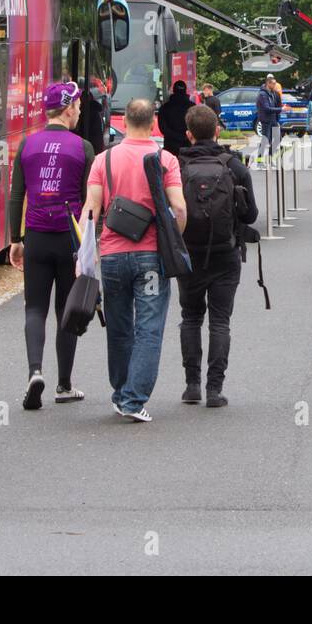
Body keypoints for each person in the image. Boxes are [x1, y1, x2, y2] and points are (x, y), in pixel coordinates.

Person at [85, 98, 187, 422]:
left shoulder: (104, 159)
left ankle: (120, 391)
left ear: (125, 120)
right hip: (150, 256)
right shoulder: (165, 159)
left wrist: (87, 256)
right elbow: (180, 209)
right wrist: (174, 237)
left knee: (118, 327)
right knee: (149, 328)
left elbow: (90, 211)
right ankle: (133, 399)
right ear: (153, 120)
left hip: (113, 256)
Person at [9, 82, 95, 410]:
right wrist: (91, 242)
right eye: (76, 105)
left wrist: (16, 241)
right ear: (67, 108)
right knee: (66, 310)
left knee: (34, 308)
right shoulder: (83, 147)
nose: (79, 111)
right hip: (70, 237)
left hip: (36, 235)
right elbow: (91, 200)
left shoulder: (28, 145)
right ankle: (64, 384)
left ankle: (34, 371)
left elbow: (18, 195)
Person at [176, 104, 259, 408]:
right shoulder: (234, 166)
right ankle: (214, 389)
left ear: (188, 134)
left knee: (190, 317)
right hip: (226, 253)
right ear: (217, 130)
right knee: (220, 321)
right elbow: (251, 215)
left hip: (188, 254)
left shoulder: (178, 166)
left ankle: (191, 385)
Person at [157, 80, 195, 156]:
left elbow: (163, 128)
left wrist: (175, 137)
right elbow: (196, 127)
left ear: (173, 90)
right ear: (185, 90)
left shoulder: (165, 107)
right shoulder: (193, 107)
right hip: (188, 147)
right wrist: (185, 138)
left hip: (170, 147)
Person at [256, 74, 282, 156]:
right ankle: (260, 161)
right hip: (266, 120)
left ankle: (270, 157)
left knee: (278, 138)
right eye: (273, 84)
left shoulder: (273, 93)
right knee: (265, 140)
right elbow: (267, 108)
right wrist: (281, 109)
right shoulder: (263, 94)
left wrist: (278, 116)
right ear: (268, 83)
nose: (275, 85)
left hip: (273, 120)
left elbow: (276, 105)